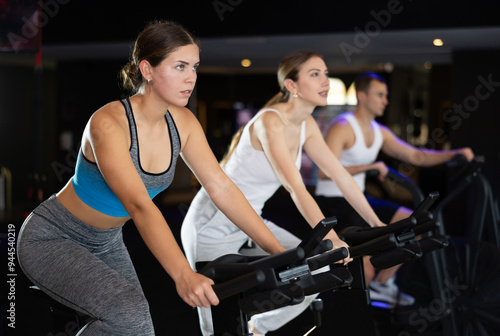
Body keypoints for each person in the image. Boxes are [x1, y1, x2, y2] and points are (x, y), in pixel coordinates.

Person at [16, 20, 287, 336]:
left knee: (139, 327)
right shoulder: (108, 123)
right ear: (147, 69)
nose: (191, 77)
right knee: (127, 316)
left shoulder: (183, 123)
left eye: (194, 67)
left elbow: (221, 186)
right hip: (53, 237)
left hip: (106, 241)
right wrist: (183, 275)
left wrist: (277, 250)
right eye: (180, 66)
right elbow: (140, 206)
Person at [181, 51, 387, 336]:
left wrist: (376, 224)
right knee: (213, 324)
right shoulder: (270, 122)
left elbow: (340, 175)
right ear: (291, 86)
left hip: (251, 223)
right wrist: (331, 238)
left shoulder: (307, 124)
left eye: (326, 73)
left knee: (316, 267)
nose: (325, 80)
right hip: (211, 224)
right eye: (314, 74)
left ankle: (257, 329)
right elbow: (295, 188)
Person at [315, 72, 474, 307]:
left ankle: (382, 282)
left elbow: (416, 156)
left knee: (416, 223)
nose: (385, 101)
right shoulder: (342, 127)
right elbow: (324, 171)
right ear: (362, 95)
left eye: (386, 96)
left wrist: (454, 153)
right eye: (380, 95)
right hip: (334, 201)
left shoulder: (379, 131)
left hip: (359, 198)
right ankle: (361, 294)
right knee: (365, 260)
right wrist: (369, 166)